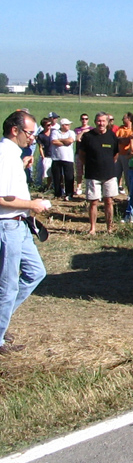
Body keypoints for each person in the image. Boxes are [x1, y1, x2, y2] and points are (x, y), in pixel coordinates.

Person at [1, 110, 50, 355]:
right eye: (29, 133)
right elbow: (1, 198)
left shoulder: (13, 155)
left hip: (19, 224)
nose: (32, 138)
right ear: (15, 130)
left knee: (35, 272)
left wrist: (22, 164)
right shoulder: (4, 155)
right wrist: (32, 205)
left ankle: (1, 323)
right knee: (7, 285)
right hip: (8, 225)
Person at [79, 112, 119, 234]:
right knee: (93, 202)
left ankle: (109, 228)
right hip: (92, 174)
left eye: (103, 121)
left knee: (109, 201)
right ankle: (92, 228)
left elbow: (115, 154)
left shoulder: (112, 136)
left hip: (109, 174)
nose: (101, 123)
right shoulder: (87, 137)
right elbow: (81, 155)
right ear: (95, 122)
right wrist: (90, 165)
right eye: (99, 121)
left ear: (107, 122)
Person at [49, 118, 76, 199]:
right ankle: (57, 193)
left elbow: (70, 141)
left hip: (68, 158)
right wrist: (65, 141)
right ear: (62, 125)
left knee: (69, 176)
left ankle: (69, 194)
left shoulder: (71, 132)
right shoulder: (55, 132)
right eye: (67, 125)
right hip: (56, 158)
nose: (69, 126)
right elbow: (54, 142)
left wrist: (60, 140)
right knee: (57, 177)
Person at [114, 112, 133, 194]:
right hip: (119, 154)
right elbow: (116, 139)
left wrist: (122, 139)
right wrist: (124, 139)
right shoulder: (121, 128)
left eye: (124, 118)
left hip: (127, 156)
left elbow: (128, 141)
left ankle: (130, 194)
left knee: (127, 176)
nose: (122, 120)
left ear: (129, 119)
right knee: (116, 174)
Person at [73, 113, 92, 197]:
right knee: (79, 171)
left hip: (89, 153)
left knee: (89, 171)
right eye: (83, 119)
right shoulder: (77, 130)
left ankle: (89, 187)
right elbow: (77, 139)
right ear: (80, 120)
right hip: (79, 152)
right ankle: (79, 187)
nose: (84, 120)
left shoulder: (92, 129)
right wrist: (83, 132)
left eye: (86, 119)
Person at [34, 116, 55, 189]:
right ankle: (49, 186)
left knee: (56, 171)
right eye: (48, 125)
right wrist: (43, 157)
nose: (50, 126)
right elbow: (40, 147)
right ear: (44, 126)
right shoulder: (41, 135)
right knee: (48, 173)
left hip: (55, 155)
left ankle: (57, 185)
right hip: (47, 155)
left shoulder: (54, 132)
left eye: (50, 124)